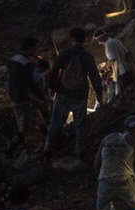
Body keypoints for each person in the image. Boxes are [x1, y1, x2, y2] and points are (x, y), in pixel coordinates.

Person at [44, 28, 104, 162]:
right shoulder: (87, 56)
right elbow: (94, 77)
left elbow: (54, 71)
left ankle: (48, 149)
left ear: (72, 39)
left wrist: (51, 88)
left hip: (64, 93)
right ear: (84, 40)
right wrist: (99, 94)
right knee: (80, 124)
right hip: (80, 95)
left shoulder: (65, 54)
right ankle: (79, 151)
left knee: (57, 121)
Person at [95, 115, 135, 210]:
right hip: (124, 180)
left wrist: (100, 180)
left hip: (104, 180)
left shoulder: (107, 138)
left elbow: (96, 162)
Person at [7, 37, 48, 153]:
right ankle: (11, 149)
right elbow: (31, 84)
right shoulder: (26, 64)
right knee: (23, 127)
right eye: (35, 48)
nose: (37, 50)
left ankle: (49, 136)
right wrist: (42, 97)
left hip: (14, 95)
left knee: (37, 117)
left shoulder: (15, 61)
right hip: (23, 98)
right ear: (30, 48)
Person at [94, 29, 130, 100]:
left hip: (119, 72)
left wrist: (104, 65)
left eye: (98, 39)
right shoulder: (115, 40)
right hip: (126, 69)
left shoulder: (108, 44)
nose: (98, 41)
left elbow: (112, 60)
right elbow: (127, 53)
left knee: (121, 93)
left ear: (102, 37)